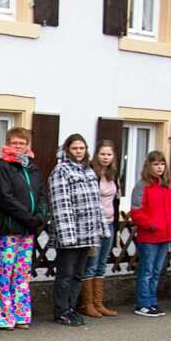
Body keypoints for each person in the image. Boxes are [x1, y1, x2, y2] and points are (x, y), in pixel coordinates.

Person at [0, 127, 48, 330]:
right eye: (15, 143)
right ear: (8, 143)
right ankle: (2, 316)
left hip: (28, 230)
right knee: (5, 273)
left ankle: (21, 314)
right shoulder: (1, 167)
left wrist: (40, 216)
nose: (18, 146)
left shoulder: (32, 167)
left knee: (22, 274)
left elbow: (41, 195)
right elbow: (5, 199)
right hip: (9, 228)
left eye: (22, 143)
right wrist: (29, 218)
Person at [49, 134, 103, 326]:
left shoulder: (88, 170)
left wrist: (100, 229)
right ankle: (61, 310)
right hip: (70, 235)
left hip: (87, 234)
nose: (79, 152)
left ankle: (71, 308)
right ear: (67, 150)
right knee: (65, 275)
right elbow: (61, 204)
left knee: (78, 275)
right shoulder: (61, 171)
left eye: (82, 148)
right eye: (75, 148)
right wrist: (67, 235)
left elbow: (96, 203)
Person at [130, 150, 171, 318]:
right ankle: (143, 303)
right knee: (147, 271)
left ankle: (152, 301)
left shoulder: (168, 186)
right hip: (149, 236)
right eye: (156, 164)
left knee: (157, 271)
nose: (159, 167)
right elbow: (136, 211)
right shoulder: (142, 185)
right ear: (148, 166)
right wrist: (150, 225)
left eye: (162, 164)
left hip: (165, 235)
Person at [80, 139, 119, 317]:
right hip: (95, 225)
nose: (106, 157)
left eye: (109, 154)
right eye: (102, 154)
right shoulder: (90, 173)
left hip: (110, 223)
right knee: (91, 263)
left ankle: (98, 302)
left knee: (102, 264)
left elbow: (116, 201)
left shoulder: (113, 174)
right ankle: (87, 304)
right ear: (96, 155)